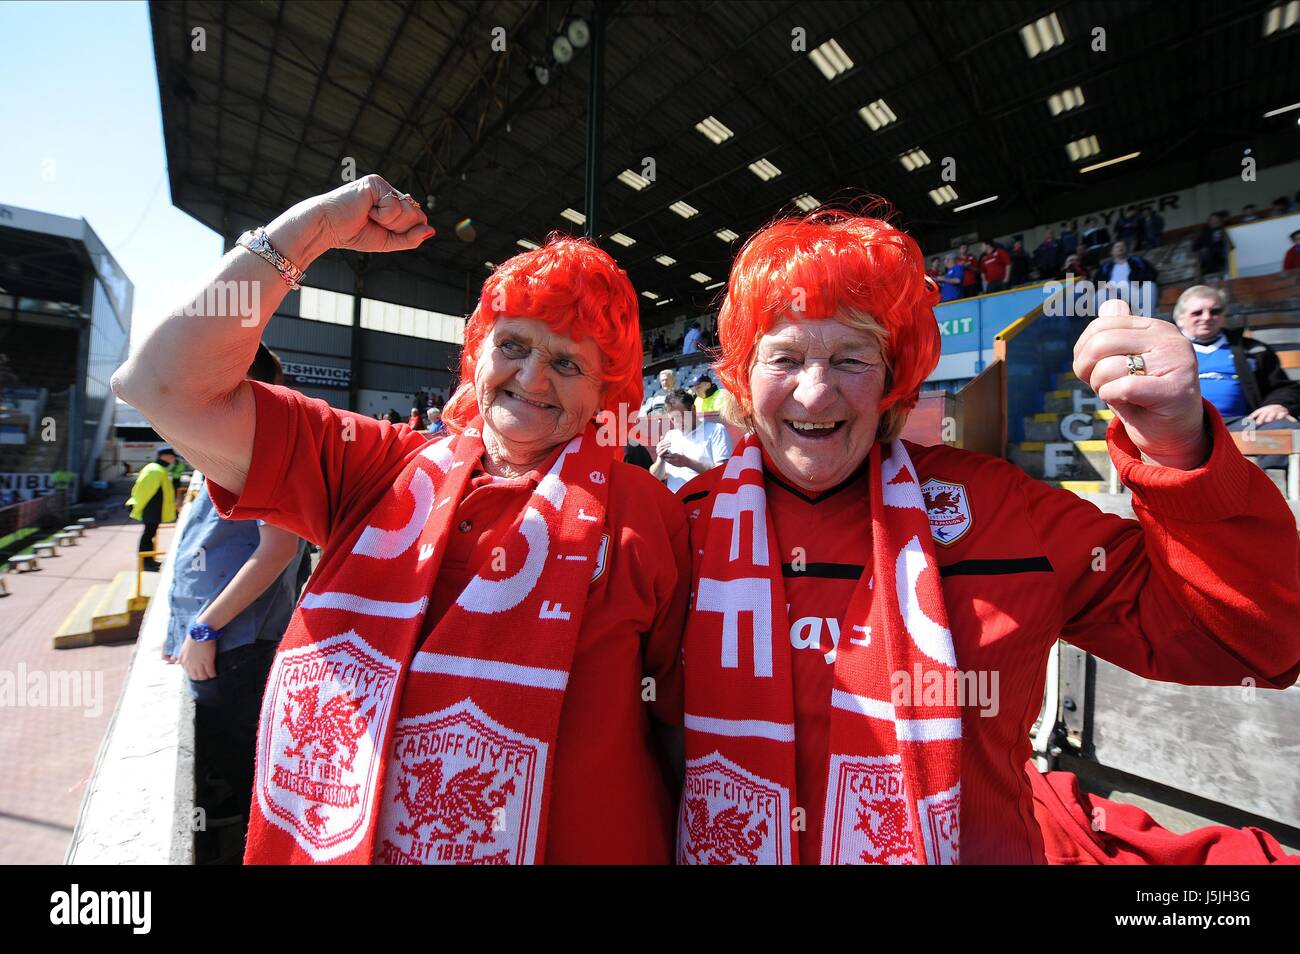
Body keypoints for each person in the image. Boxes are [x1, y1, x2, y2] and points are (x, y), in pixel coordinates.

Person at [675, 208, 1299, 865]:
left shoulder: (1002, 510)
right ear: (743, 377)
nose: (816, 390)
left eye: (850, 358)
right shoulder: (680, 528)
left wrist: (1179, 450)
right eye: (785, 357)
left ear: (893, 379)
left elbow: (1253, 644)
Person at [112, 174, 689, 865]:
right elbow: (160, 385)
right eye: (513, 347)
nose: (533, 379)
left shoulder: (649, 513)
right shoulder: (375, 466)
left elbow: (682, 727)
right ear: (477, 355)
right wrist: (308, 230)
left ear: (605, 391)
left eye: (567, 362)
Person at [165, 343, 307, 858]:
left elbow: (277, 552)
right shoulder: (225, 449)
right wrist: (182, 630)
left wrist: (203, 629)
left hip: (235, 645)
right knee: (226, 774)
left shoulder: (258, 449)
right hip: (219, 642)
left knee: (236, 779)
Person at [1172, 284, 1299, 468]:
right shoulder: (1164, 350)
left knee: (1286, 430)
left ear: (1223, 315)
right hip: (1181, 426)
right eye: (1197, 313)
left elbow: (1284, 386)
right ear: (1180, 318)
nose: (1206, 317)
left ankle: (1263, 490)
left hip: (1240, 423)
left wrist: (1278, 404)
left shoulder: (1253, 350)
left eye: (1215, 311)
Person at [650, 389, 733, 492]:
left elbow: (724, 473)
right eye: (673, 418)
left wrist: (688, 462)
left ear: (693, 409)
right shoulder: (670, 435)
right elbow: (655, 477)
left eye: (681, 415)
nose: (678, 422)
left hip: (708, 502)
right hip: (677, 504)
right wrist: (661, 460)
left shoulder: (716, 430)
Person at [126, 447, 176, 571]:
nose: (173, 459)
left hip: (154, 509)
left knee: (149, 535)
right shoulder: (155, 470)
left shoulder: (157, 469)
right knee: (148, 535)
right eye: (171, 456)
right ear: (163, 456)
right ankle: (146, 563)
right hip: (151, 509)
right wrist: (136, 505)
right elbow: (143, 492)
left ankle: (149, 561)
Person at [1095, 240, 1159, 314]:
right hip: (1112, 291)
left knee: (1150, 286)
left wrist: (1138, 282)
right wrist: (1104, 285)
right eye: (1117, 247)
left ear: (1126, 249)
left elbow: (1151, 273)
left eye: (1123, 246)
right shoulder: (1106, 266)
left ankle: (1147, 319)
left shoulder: (1137, 261)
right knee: (1101, 293)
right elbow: (1096, 281)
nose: (1120, 248)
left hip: (1133, 289)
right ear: (1112, 252)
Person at [1194, 212, 1229, 276]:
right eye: (1210, 219)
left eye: (1214, 219)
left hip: (1220, 259)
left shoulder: (1224, 229)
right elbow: (1197, 243)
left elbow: (1222, 245)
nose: (1211, 221)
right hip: (1207, 260)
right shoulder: (1205, 229)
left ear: (1219, 220)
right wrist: (1200, 249)